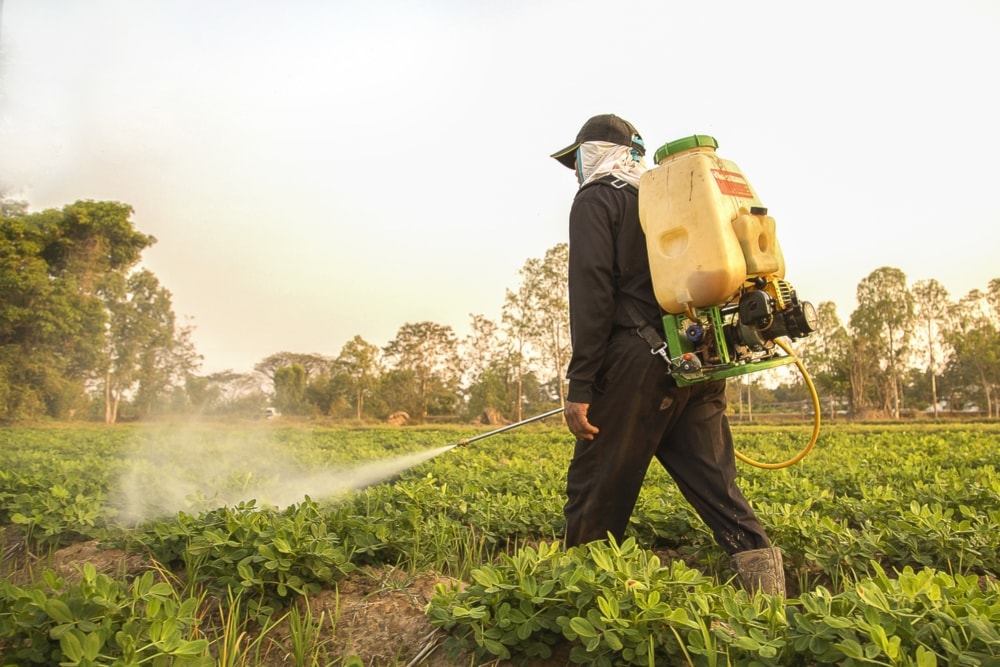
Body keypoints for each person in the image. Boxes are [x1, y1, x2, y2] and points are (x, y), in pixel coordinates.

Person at [549, 114, 785, 596]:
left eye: (575, 160)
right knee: (718, 489)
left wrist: (581, 386)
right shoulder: (670, 201)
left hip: (635, 366)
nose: (574, 171)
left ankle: (574, 606)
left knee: (595, 490)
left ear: (592, 154)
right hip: (697, 359)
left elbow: (591, 295)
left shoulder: (598, 198)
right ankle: (771, 602)